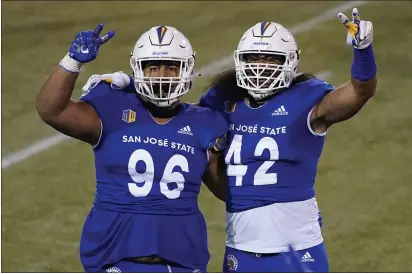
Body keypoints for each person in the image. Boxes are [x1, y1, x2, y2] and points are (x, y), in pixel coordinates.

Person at [86, 7, 376, 272]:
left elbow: (358, 92)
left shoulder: (307, 99)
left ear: (290, 63)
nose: (261, 67)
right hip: (241, 242)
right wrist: (128, 82)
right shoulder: (223, 101)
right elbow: (170, 109)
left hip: (296, 243)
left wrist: (363, 52)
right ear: (240, 61)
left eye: (270, 59)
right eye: (253, 58)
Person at [35, 23, 229, 273]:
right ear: (138, 69)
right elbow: (51, 110)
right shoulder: (112, 108)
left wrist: (220, 154)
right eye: (153, 67)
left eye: (172, 67)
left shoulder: (206, 122)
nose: (162, 75)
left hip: (180, 259)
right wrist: (71, 62)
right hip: (115, 258)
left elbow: (224, 190)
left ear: (187, 69)